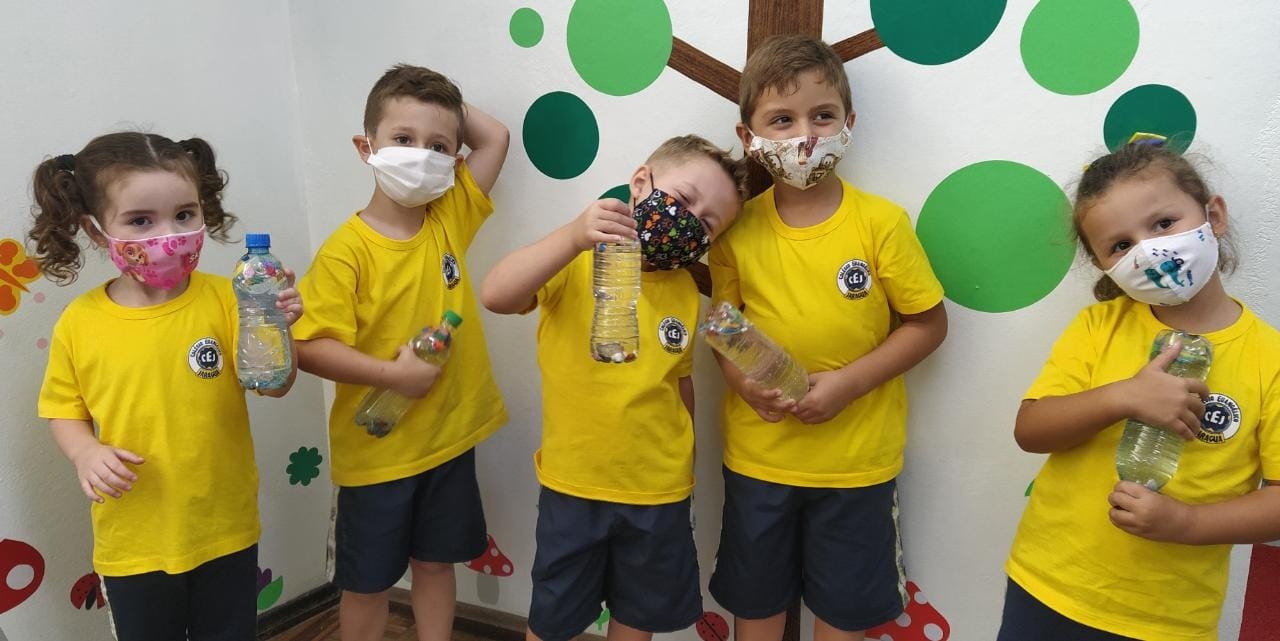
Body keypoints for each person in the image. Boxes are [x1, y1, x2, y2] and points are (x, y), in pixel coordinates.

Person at [707, 34, 948, 641]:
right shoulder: (736, 232)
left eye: (822, 115)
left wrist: (849, 384)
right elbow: (724, 328)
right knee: (756, 603)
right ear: (748, 136)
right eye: (781, 120)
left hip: (856, 468)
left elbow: (928, 324)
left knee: (844, 613)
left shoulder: (881, 223)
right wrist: (743, 384)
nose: (804, 135)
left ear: (849, 122)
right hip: (760, 461)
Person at [999, 139, 1280, 640]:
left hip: (1164, 619)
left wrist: (1187, 524)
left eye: (1163, 223)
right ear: (1104, 265)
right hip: (1046, 583)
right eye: (1121, 245)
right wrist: (1123, 396)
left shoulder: (1270, 359)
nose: (1148, 250)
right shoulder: (1097, 327)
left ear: (1213, 216)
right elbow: (1031, 429)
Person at [31, 131, 302, 641]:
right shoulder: (80, 322)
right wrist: (84, 452)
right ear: (96, 230)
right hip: (134, 540)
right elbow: (63, 408)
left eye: (184, 214)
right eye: (140, 221)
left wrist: (277, 330)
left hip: (225, 529)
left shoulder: (229, 298)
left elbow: (275, 386)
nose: (169, 235)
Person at [479, 134, 744, 641]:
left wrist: (687, 459)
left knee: (639, 616)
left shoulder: (685, 291)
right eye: (684, 199)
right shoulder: (577, 260)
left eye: (707, 224)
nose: (689, 221)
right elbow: (496, 294)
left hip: (659, 490)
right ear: (641, 182)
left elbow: (680, 379)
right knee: (554, 617)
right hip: (575, 484)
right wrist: (572, 237)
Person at [291, 63, 509, 641]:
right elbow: (308, 346)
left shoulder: (449, 217)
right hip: (377, 454)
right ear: (367, 147)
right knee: (368, 582)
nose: (421, 155)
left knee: (437, 564)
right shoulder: (345, 252)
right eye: (403, 139)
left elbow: (496, 138)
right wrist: (393, 375)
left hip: (446, 442)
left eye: (438, 147)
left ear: (455, 159)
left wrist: (446, 108)